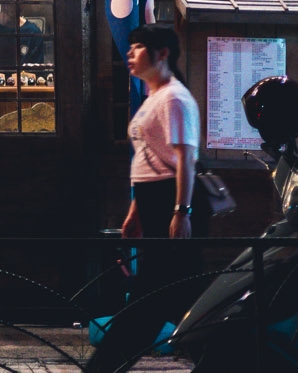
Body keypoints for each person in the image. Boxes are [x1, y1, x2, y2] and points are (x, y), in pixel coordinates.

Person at [89, 23, 206, 373]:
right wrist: (134, 212)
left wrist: (181, 211)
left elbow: (185, 157)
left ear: (163, 54)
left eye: (138, 47)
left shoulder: (174, 97)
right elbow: (148, 158)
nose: (130, 53)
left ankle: (105, 365)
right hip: (154, 198)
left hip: (172, 198)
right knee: (167, 289)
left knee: (157, 290)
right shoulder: (155, 97)